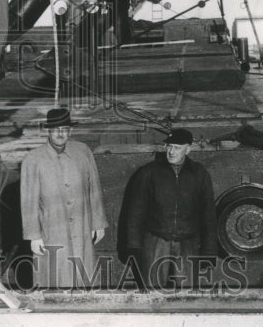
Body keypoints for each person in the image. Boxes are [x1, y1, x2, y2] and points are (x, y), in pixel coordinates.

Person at [19, 107, 107, 288]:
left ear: (70, 130)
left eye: (65, 128)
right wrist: (33, 236)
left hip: (82, 226)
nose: (61, 133)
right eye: (56, 128)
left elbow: (94, 189)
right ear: (48, 130)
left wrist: (98, 224)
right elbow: (29, 202)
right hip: (52, 229)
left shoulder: (83, 152)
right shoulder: (33, 159)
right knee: (55, 276)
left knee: (85, 275)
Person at [125, 128, 218, 290]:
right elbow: (135, 213)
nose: (171, 151)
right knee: (152, 293)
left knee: (187, 295)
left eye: (177, 147)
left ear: (188, 149)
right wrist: (134, 247)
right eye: (169, 146)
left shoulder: (199, 174)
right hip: (155, 243)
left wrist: (209, 251)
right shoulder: (148, 173)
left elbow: (208, 214)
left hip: (188, 244)